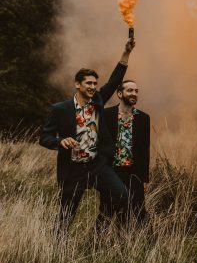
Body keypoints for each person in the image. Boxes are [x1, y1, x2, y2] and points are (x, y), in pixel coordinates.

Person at [39, 38, 135, 233]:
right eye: (88, 83)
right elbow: (44, 137)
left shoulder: (97, 101)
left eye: (94, 84)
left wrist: (126, 53)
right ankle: (57, 244)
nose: (92, 87)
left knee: (122, 195)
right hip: (73, 169)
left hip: (97, 165)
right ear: (77, 84)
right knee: (66, 213)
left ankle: (97, 234)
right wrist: (60, 141)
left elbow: (114, 81)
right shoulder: (60, 109)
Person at [100, 79, 151, 225]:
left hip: (134, 173)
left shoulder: (143, 118)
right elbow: (100, 145)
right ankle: (95, 240)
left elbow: (144, 149)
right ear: (120, 93)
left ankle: (145, 240)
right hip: (111, 171)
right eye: (130, 90)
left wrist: (144, 178)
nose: (134, 93)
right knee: (106, 211)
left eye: (136, 91)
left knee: (139, 211)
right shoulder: (106, 115)